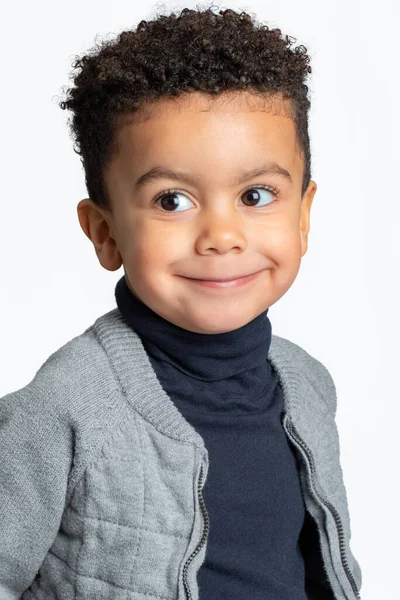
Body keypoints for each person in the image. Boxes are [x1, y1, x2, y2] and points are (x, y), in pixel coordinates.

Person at [0, 5, 363, 600]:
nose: (222, 234)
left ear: (303, 215)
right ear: (105, 233)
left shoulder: (309, 384)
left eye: (256, 194)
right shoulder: (60, 411)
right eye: (172, 200)